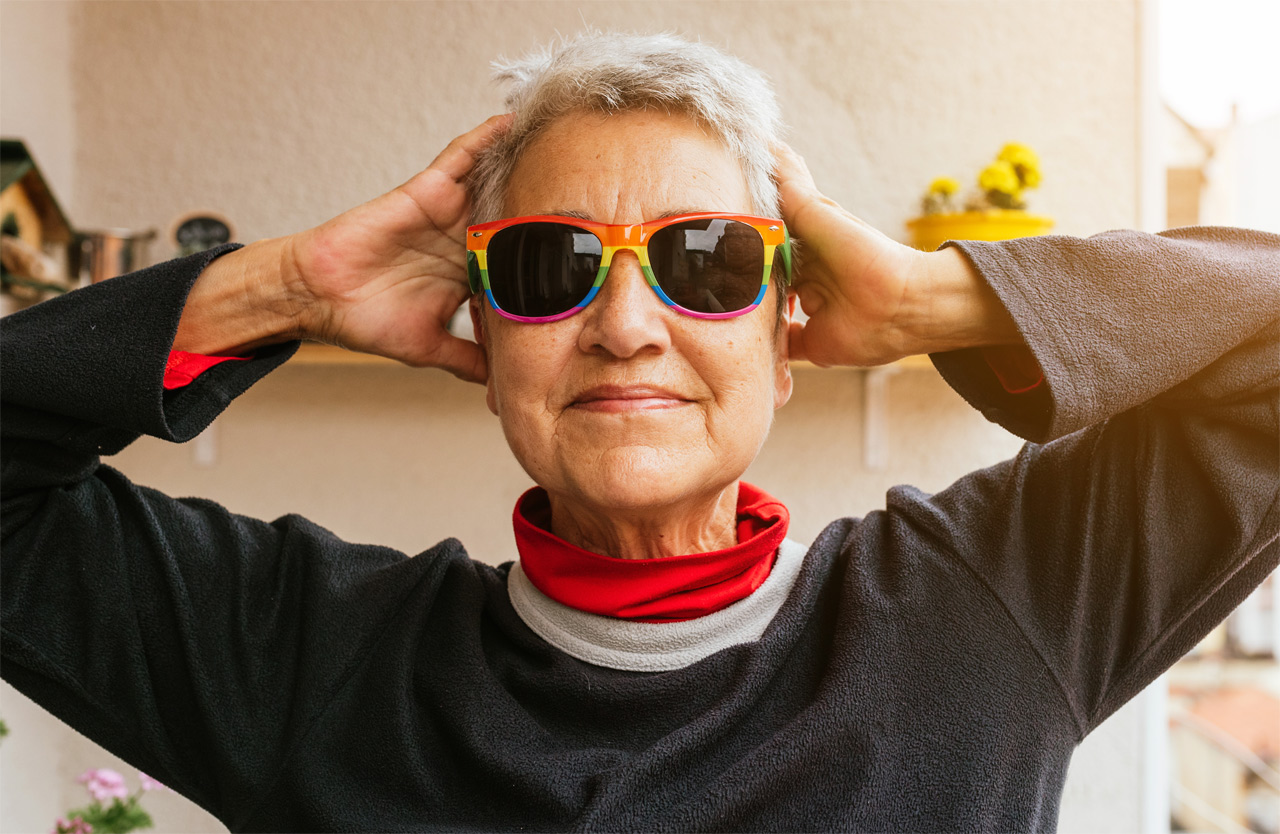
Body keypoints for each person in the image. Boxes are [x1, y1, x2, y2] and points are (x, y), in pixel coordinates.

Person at [2, 31, 1276, 833]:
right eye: (550, 265)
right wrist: (284, 288)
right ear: (484, 341)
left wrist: (941, 294)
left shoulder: (986, 612)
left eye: (707, 261)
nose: (623, 325)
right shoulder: (305, 664)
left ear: (787, 332)